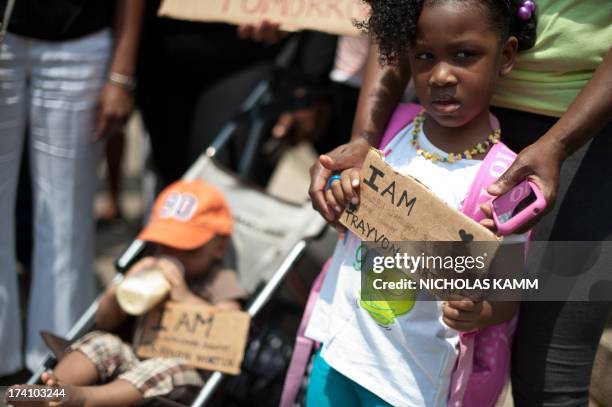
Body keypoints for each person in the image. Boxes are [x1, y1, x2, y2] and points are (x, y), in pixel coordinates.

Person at [309, 1, 612, 405]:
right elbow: (352, 226)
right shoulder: (390, 135)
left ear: (505, 56)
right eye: (424, 57)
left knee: (550, 376)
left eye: (464, 55)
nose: (441, 75)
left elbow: (505, 290)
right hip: (340, 361)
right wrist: (340, 189)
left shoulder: (505, 183)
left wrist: (482, 314)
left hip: (412, 386)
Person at [0, 0, 144, 378]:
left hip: (78, 40)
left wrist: (121, 73)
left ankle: (56, 372)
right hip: (6, 37)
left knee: (66, 221)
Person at [11, 180, 247, 406]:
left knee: (163, 369)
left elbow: (230, 334)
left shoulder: (219, 279)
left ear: (219, 248)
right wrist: (119, 293)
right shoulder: (150, 266)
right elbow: (104, 321)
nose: (172, 254)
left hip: (185, 373)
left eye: (186, 247)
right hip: (134, 358)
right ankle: (49, 392)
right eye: (164, 244)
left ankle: (85, 399)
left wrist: (184, 298)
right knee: (102, 343)